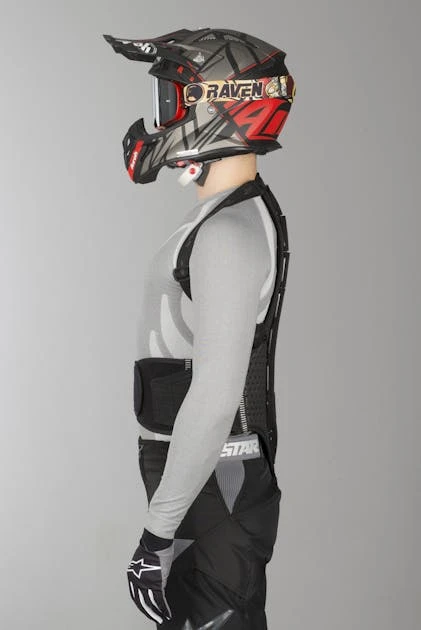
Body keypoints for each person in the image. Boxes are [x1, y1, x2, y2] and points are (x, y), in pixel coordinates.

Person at [104, 27, 295, 629]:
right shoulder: (226, 218)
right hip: (207, 482)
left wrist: (156, 534)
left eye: (170, 99)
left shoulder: (228, 233)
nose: (160, 118)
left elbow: (214, 399)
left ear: (218, 106)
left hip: (216, 483)